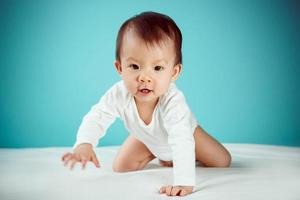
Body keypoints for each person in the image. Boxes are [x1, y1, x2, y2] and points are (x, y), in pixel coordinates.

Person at [61, 11, 231, 197]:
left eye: (157, 68)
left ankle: (178, 156)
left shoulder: (173, 101)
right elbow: (98, 116)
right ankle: (161, 154)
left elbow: (181, 139)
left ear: (174, 73)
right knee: (121, 167)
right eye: (134, 66)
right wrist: (85, 142)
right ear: (119, 68)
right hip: (147, 139)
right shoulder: (119, 93)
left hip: (187, 136)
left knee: (222, 160)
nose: (144, 78)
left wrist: (184, 182)